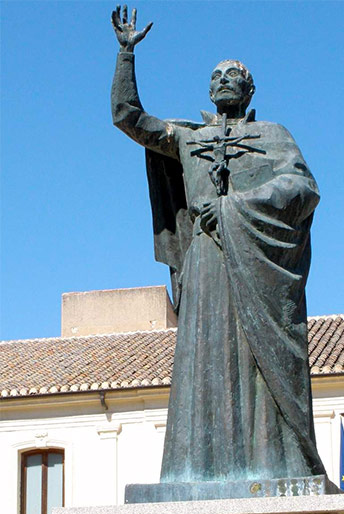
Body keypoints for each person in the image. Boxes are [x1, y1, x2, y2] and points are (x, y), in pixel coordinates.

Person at [111, 5, 326, 484]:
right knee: (204, 359)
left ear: (250, 91)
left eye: (235, 75)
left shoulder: (273, 135)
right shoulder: (186, 138)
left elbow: (302, 188)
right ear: (209, 91)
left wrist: (236, 207)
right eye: (217, 76)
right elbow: (128, 117)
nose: (225, 80)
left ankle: (271, 462)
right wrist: (126, 57)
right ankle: (201, 468)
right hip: (205, 260)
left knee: (258, 361)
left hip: (254, 262)